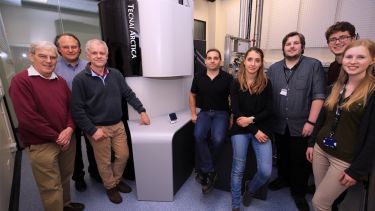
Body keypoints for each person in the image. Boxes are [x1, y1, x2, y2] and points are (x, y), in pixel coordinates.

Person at [71, 39, 150, 204]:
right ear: (88, 55)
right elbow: (77, 110)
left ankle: (116, 179)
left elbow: (128, 94)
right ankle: (110, 187)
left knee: (123, 155)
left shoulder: (116, 74)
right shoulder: (80, 80)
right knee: (104, 162)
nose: (99, 56)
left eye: (102, 53)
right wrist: (92, 130)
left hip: (118, 124)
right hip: (97, 128)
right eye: (95, 53)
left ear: (107, 56)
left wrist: (142, 110)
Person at [9, 41, 84, 211]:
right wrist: (57, 136)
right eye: (43, 56)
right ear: (31, 56)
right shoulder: (21, 81)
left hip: (66, 139)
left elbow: (71, 108)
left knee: (65, 177)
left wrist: (70, 128)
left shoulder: (61, 81)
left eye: (52, 57)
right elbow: (28, 118)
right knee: (50, 186)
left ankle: (65, 205)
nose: (49, 61)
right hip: (42, 144)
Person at [306, 39, 375, 211]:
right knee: (325, 200)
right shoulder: (336, 88)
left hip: (344, 159)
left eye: (360, 57)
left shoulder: (372, 93)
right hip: (321, 150)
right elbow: (322, 120)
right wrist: (311, 144)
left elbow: (373, 138)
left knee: (319, 202)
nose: (353, 61)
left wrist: (357, 171)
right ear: (342, 59)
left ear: (372, 60)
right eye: (349, 57)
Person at [267, 32, 326, 211]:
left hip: (302, 124)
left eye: (296, 43)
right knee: (282, 155)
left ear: (302, 47)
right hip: (278, 123)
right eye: (288, 44)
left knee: (300, 161)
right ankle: (283, 179)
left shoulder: (313, 66)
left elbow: (318, 96)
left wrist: (311, 122)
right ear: (283, 47)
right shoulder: (274, 68)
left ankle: (298, 192)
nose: (291, 46)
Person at [54, 33, 101, 192]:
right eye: (66, 47)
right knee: (73, 151)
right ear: (59, 50)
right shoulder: (53, 69)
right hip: (67, 117)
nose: (71, 49)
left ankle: (95, 172)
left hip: (90, 115)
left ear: (80, 48)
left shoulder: (90, 65)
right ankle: (78, 178)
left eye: (74, 46)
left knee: (94, 146)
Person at [230, 47, 273, 211]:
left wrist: (251, 121)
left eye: (257, 60)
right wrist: (253, 129)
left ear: (261, 63)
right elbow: (236, 111)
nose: (253, 64)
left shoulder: (267, 83)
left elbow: (269, 110)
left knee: (265, 172)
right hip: (241, 129)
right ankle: (235, 204)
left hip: (262, 128)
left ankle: (251, 189)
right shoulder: (235, 83)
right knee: (238, 168)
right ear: (244, 61)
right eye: (250, 59)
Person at [189, 48, 232, 194]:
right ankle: (210, 170)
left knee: (218, 139)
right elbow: (192, 95)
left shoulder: (228, 78)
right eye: (209, 58)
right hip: (205, 113)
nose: (212, 60)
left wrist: (231, 116)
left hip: (221, 113)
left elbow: (234, 99)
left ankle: (205, 169)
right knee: (198, 135)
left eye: (215, 58)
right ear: (205, 60)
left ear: (220, 61)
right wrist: (194, 113)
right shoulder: (198, 77)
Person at [325, 22, 356, 86]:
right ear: (328, 44)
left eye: (342, 37)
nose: (337, 42)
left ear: (353, 39)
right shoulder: (332, 67)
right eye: (333, 39)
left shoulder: (362, 67)